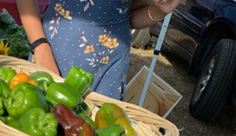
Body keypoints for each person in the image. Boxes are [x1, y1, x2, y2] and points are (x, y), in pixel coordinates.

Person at [17, 0, 180, 100]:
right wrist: (40, 47)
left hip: (109, 68)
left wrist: (160, 10)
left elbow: (127, 16)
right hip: (54, 52)